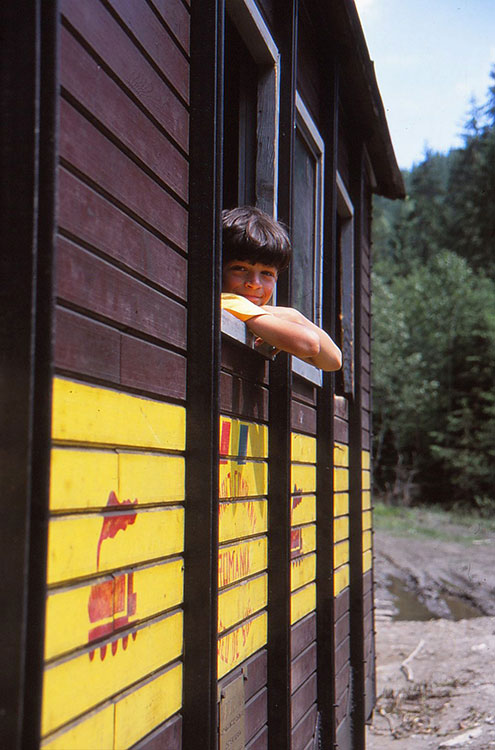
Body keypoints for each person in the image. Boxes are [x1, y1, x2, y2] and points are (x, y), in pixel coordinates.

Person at [221, 206, 342, 372]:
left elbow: (334, 360)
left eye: (266, 273)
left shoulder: (246, 310)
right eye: (240, 268)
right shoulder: (229, 301)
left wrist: (293, 316)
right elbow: (310, 344)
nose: (254, 283)